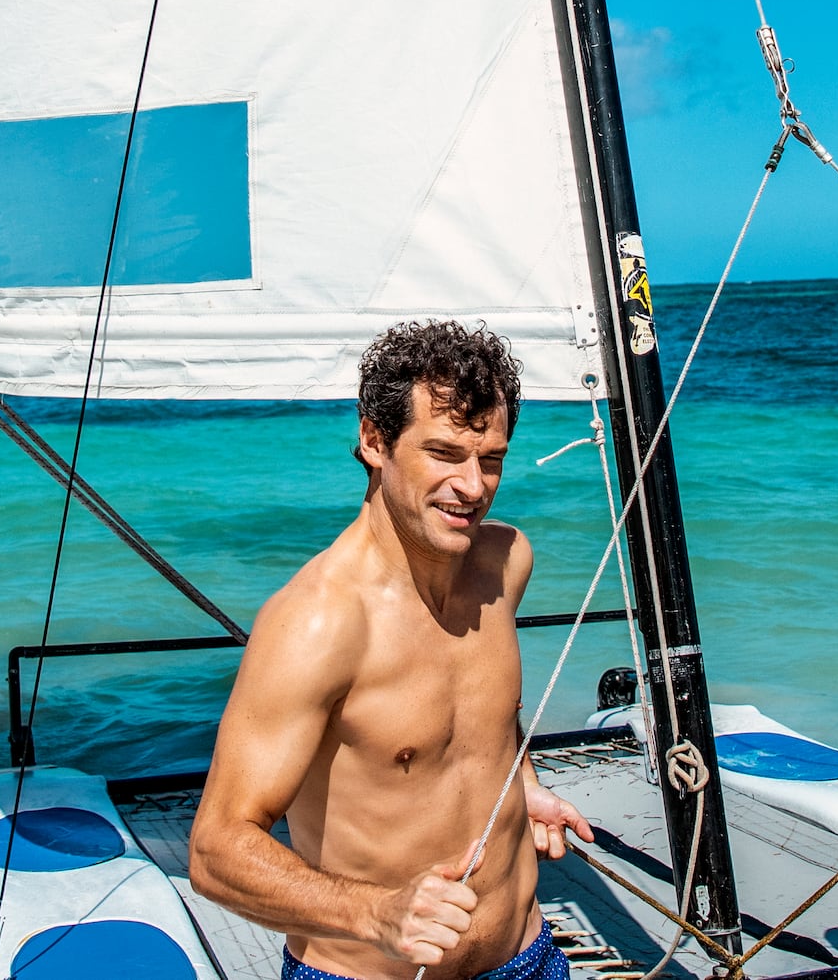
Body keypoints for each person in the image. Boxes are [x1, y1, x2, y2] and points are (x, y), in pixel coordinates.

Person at [190, 320, 592, 980]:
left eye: (490, 459)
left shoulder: (504, 564)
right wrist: (376, 912)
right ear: (375, 441)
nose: (472, 486)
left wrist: (525, 786)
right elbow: (216, 850)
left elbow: (485, 717)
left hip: (527, 959)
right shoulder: (318, 624)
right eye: (443, 453)